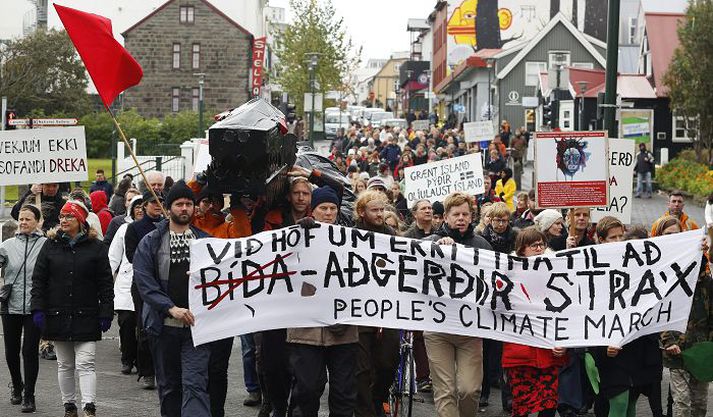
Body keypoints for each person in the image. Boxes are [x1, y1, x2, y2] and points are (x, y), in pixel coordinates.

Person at [133, 181, 211, 417]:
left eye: (189, 204)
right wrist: (171, 308)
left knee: (195, 384)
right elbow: (145, 283)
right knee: (169, 387)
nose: (185, 208)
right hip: (163, 327)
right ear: (168, 209)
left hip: (196, 329)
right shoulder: (151, 242)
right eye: (179, 204)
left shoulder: (205, 241)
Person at [31, 200, 114, 417]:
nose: (64, 220)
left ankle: (89, 407)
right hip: (57, 313)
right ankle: (69, 406)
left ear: (80, 220)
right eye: (62, 216)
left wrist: (106, 311)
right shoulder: (50, 245)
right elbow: (39, 279)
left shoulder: (96, 247)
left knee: (86, 362)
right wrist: (38, 309)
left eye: (69, 216)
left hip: (86, 314)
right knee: (65, 364)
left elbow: (105, 283)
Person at [287, 185, 359, 417]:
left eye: (333, 208)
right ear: (313, 210)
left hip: (343, 329)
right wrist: (298, 234)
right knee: (307, 389)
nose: (328, 213)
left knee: (343, 391)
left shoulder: (351, 240)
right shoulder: (296, 234)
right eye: (323, 208)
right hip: (306, 330)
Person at [426, 192, 492, 417]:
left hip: (469, 329)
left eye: (465, 214)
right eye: (456, 214)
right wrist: (437, 244)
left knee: (469, 389)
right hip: (438, 328)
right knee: (445, 390)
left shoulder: (482, 244)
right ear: (445, 217)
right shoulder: (434, 241)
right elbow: (414, 252)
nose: (461, 218)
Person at [591, 216, 664, 417]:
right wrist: (603, 345)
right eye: (611, 238)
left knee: (631, 401)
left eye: (620, 237)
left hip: (634, 345)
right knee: (619, 400)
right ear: (600, 239)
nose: (617, 242)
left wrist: (697, 250)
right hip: (608, 348)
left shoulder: (636, 263)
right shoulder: (590, 266)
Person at [502, 227, 568, 417]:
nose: (539, 249)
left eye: (541, 244)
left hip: (548, 352)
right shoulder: (509, 274)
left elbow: (566, 311)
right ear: (522, 249)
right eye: (534, 245)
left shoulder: (556, 273)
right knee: (521, 406)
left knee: (549, 405)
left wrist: (562, 342)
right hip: (519, 354)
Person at [658, 216, 713, 417]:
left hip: (701, 350)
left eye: (677, 234)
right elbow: (657, 311)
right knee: (682, 404)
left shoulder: (704, 277)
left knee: (699, 404)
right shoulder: (662, 275)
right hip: (676, 350)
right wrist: (667, 341)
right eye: (668, 235)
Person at [353, 190, 400, 417]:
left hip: (386, 309)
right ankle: (365, 412)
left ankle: (377, 398)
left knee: (388, 363)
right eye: (375, 210)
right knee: (361, 369)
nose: (380, 214)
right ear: (362, 212)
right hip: (360, 310)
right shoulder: (350, 235)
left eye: (382, 209)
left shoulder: (391, 235)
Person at [0, 205, 46, 413]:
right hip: (10, 305)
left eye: (28, 219)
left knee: (30, 351)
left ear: (38, 222)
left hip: (35, 306)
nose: (24, 222)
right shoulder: (7, 245)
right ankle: (17, 385)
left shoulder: (46, 245)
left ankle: (29, 395)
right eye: (21, 218)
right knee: (11, 351)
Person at [124, 191, 165, 390]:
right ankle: (147, 371)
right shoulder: (135, 228)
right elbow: (132, 256)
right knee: (145, 326)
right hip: (143, 284)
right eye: (153, 202)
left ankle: (164, 368)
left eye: (162, 202)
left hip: (166, 283)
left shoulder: (168, 226)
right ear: (144, 206)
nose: (158, 205)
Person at [478, 202, 516, 412]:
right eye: (497, 220)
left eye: (504, 220)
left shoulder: (515, 238)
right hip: (487, 301)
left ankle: (507, 397)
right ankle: (483, 392)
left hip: (509, 301)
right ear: (489, 220)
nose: (501, 224)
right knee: (486, 351)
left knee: (505, 352)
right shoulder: (481, 241)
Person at [108, 195, 144, 376]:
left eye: (143, 206)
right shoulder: (123, 229)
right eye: (136, 207)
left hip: (145, 282)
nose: (140, 210)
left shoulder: (157, 228)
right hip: (125, 282)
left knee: (143, 324)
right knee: (126, 323)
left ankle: (141, 360)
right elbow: (113, 256)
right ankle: (127, 359)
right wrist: (106, 280)